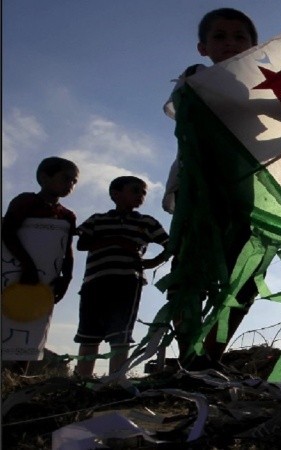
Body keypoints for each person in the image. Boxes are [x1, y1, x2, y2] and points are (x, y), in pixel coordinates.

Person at [162, 8, 261, 368]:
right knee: (190, 272)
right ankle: (188, 353)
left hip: (245, 194)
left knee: (246, 277)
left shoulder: (262, 88)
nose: (231, 43)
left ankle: (208, 358)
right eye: (220, 36)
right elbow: (219, 101)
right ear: (203, 47)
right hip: (201, 195)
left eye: (240, 37)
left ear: (255, 46)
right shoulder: (196, 76)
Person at [74, 176, 170, 378]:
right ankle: (82, 380)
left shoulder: (147, 222)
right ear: (115, 194)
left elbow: (170, 245)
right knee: (89, 333)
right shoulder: (97, 220)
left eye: (143, 192)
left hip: (127, 282)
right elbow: (82, 244)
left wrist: (154, 262)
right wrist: (117, 241)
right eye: (135, 190)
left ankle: (116, 380)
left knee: (120, 334)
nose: (141, 195)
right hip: (95, 282)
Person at [1, 157, 79, 372]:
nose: (70, 185)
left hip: (46, 279)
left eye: (74, 181)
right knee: (9, 319)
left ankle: (18, 376)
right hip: (15, 274)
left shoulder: (67, 215)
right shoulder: (25, 202)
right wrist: (27, 266)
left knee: (33, 324)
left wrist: (67, 277)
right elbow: (7, 232)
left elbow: (66, 249)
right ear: (44, 177)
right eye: (66, 178)